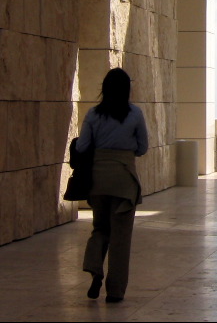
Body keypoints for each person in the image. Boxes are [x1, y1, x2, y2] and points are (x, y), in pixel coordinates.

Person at [76, 68, 148, 303]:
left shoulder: (93, 114)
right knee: (121, 237)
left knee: (100, 228)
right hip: (124, 179)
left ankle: (94, 267)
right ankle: (115, 291)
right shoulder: (135, 114)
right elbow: (142, 147)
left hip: (98, 179)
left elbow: (82, 146)